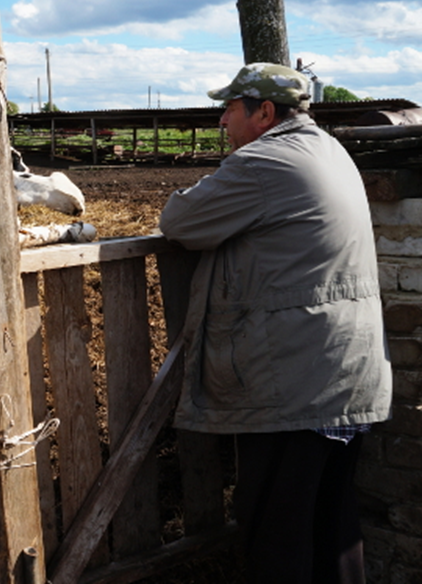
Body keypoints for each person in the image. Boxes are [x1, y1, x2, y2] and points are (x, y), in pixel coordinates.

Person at [159, 63, 392, 583]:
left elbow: (179, 220)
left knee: (278, 535)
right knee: (332, 526)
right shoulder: (329, 150)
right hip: (344, 371)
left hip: (294, 383)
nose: (223, 121)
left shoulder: (264, 161)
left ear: (264, 112)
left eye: (229, 108)